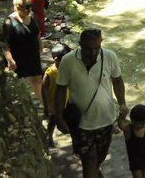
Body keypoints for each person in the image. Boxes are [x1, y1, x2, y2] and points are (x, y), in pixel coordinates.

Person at [55, 28, 128, 178]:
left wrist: (122, 103)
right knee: (88, 160)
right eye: (88, 48)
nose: (93, 52)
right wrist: (59, 116)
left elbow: (117, 80)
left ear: (101, 43)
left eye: (97, 47)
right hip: (81, 123)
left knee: (99, 158)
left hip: (106, 120)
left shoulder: (110, 56)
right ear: (80, 44)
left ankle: (95, 169)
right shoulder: (68, 61)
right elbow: (60, 89)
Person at [2, 0, 43, 103]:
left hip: (33, 54)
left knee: (38, 80)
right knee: (20, 82)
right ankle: (24, 104)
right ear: (16, 7)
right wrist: (9, 59)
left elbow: (36, 31)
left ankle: (44, 105)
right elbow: (4, 43)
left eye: (29, 6)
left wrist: (40, 42)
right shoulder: (9, 22)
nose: (28, 9)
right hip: (18, 56)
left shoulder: (32, 15)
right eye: (25, 7)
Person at [42, 43, 71, 147]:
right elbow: (44, 89)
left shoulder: (66, 70)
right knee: (53, 120)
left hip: (65, 100)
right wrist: (46, 106)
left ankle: (70, 134)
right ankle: (49, 136)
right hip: (53, 103)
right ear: (56, 59)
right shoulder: (50, 73)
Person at [118, 104, 145, 178]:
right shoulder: (129, 129)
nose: (143, 125)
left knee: (143, 176)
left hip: (144, 158)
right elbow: (121, 125)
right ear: (132, 120)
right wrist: (121, 116)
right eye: (141, 123)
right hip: (135, 161)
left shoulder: (143, 128)